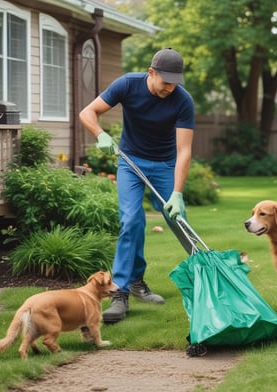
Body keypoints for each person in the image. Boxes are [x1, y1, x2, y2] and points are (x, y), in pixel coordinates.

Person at [79, 48, 195, 323]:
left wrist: (177, 193)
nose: (170, 88)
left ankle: (205, 278)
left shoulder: (182, 100)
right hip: (131, 163)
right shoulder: (127, 84)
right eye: (165, 82)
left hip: (166, 164)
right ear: (151, 73)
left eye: (175, 83)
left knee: (179, 221)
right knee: (131, 220)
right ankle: (121, 293)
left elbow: (185, 151)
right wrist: (100, 134)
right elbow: (88, 112)